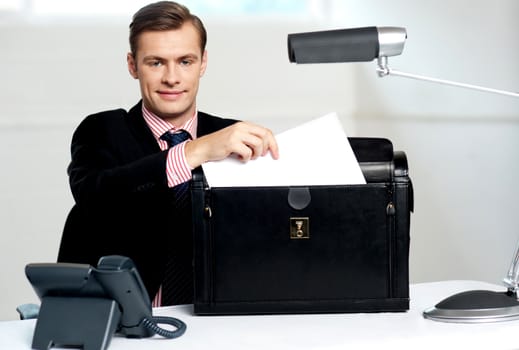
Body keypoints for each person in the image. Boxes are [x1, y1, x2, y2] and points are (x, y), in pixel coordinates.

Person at [57, 1, 279, 306]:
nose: (172, 78)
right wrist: (193, 152)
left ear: (203, 63)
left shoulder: (232, 136)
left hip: (218, 319)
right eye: (156, 62)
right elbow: (94, 198)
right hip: (123, 325)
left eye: (185, 61)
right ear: (133, 65)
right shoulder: (102, 130)